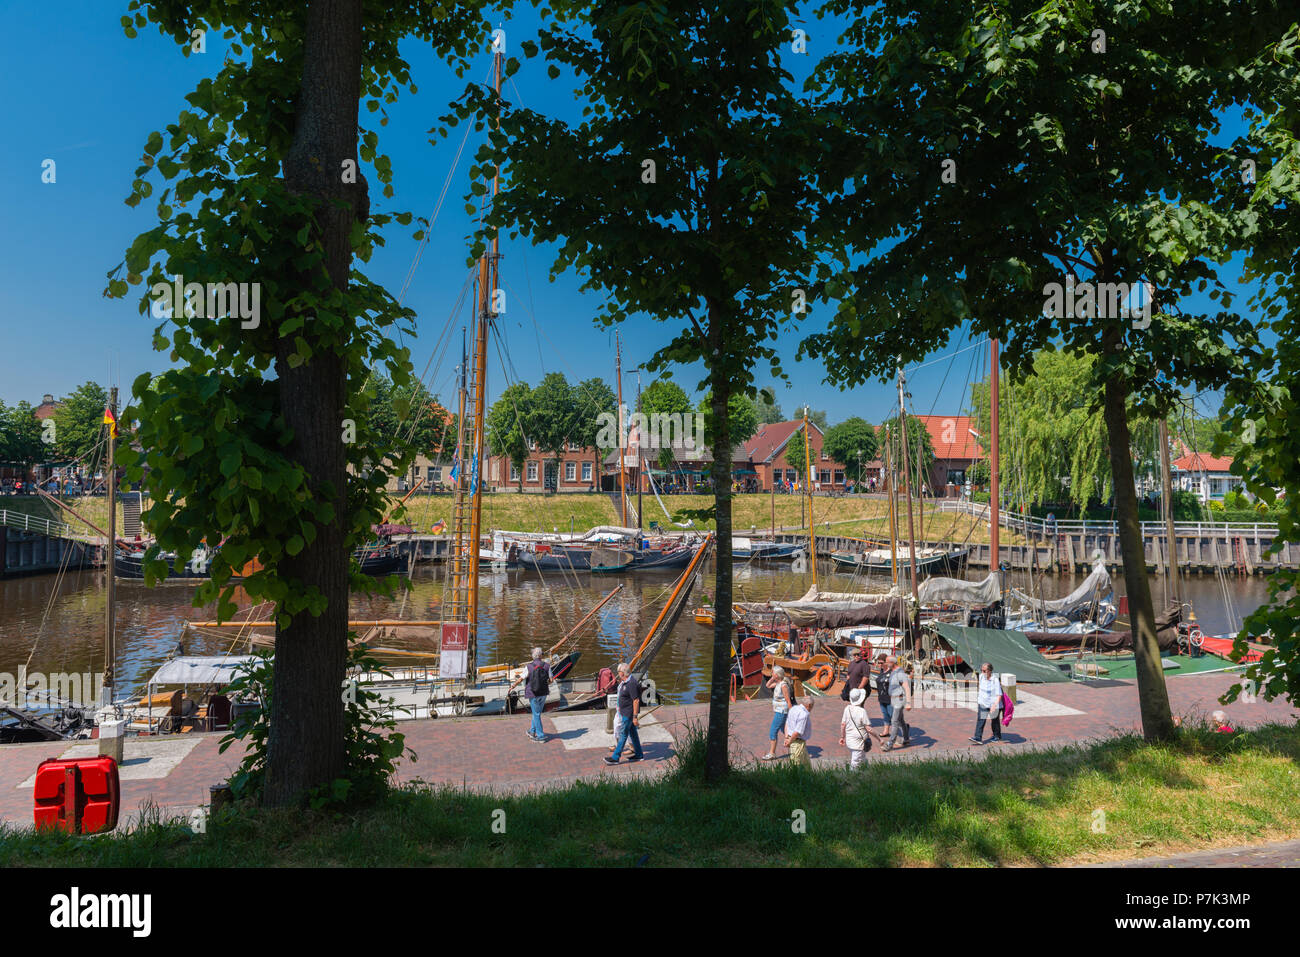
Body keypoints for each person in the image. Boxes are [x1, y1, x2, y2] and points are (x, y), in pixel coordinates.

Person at [508, 647, 551, 743]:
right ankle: (532, 731)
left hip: (533, 693)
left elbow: (521, 679)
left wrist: (513, 686)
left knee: (536, 714)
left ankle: (540, 736)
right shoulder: (547, 666)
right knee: (536, 713)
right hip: (543, 693)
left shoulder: (529, 666)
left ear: (533, 656)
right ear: (540, 656)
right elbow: (551, 680)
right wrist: (544, 685)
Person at [605, 662, 645, 764]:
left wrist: (635, 717)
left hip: (628, 715)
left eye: (618, 672)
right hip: (624, 713)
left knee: (623, 735)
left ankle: (615, 757)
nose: (618, 674)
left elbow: (636, 700)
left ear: (622, 673)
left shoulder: (631, 683)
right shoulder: (625, 682)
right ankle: (639, 755)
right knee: (633, 735)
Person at [762, 666, 794, 760]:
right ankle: (795, 747)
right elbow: (767, 685)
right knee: (785, 730)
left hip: (781, 711)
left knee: (773, 731)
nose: (771, 674)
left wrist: (792, 714)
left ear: (777, 674)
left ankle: (772, 753)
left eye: (773, 673)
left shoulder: (783, 685)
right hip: (778, 710)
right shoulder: (778, 683)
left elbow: (788, 701)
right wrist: (772, 678)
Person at [970, 661, 1004, 745]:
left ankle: (997, 736)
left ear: (989, 671)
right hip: (983, 703)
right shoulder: (981, 676)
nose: (982, 672)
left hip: (994, 704)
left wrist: (994, 705)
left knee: (994, 721)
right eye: (981, 670)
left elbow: (999, 695)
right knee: (981, 720)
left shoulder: (995, 680)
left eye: (984, 671)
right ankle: (978, 737)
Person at [883, 658, 912, 751]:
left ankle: (890, 744)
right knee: (901, 720)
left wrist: (908, 703)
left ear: (892, 663)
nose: (886, 663)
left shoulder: (900, 673)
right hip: (894, 699)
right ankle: (906, 739)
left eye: (887, 662)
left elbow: (907, 688)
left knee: (894, 721)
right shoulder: (893, 671)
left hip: (899, 700)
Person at [840, 688, 871, 769]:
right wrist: (879, 739)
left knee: (862, 757)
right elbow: (868, 728)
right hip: (858, 742)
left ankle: (867, 771)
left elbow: (843, 724)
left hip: (850, 740)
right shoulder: (862, 711)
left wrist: (842, 737)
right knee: (855, 762)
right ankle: (852, 778)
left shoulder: (847, 708)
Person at [785, 697, 814, 767]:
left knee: (807, 766)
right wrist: (789, 742)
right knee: (796, 766)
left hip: (794, 740)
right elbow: (797, 732)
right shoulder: (804, 714)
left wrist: (786, 737)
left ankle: (810, 777)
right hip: (797, 742)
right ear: (809, 705)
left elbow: (787, 724)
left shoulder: (793, 708)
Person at [875, 653, 894, 739]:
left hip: (891, 698)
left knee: (893, 716)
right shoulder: (882, 671)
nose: (879, 664)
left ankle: (904, 729)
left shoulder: (892, 672)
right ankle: (886, 731)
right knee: (885, 715)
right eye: (878, 662)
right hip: (882, 698)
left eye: (881, 663)